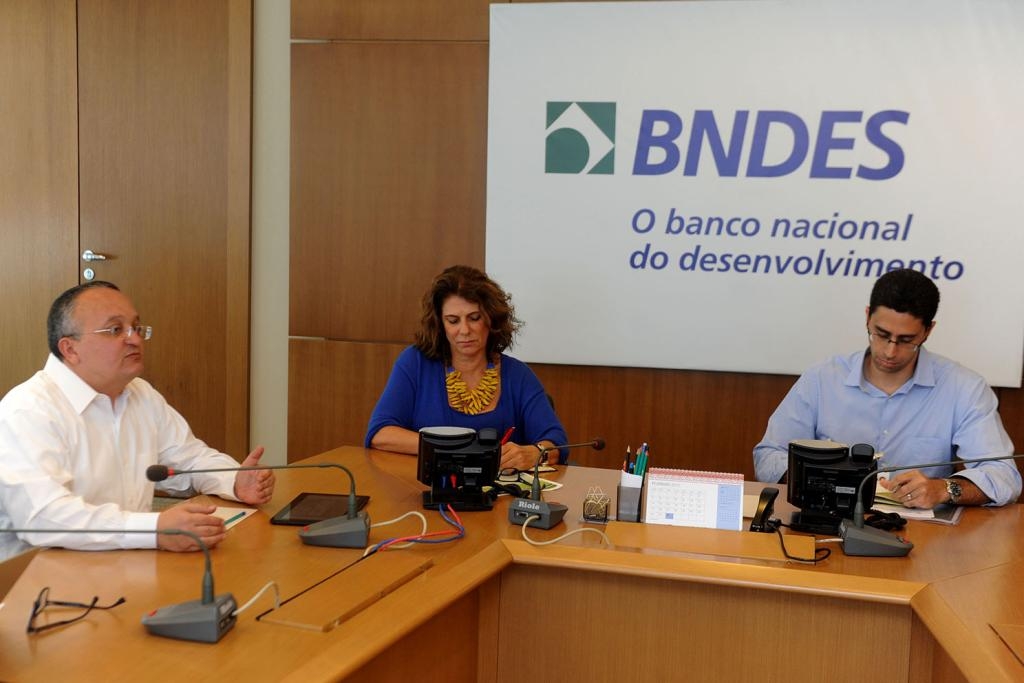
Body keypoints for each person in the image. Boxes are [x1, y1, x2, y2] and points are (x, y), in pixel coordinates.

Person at [0, 281, 275, 561]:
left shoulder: (140, 394)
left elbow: (189, 459)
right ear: (70, 349)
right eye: (115, 330)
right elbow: (43, 518)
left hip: (126, 561)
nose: (134, 339)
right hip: (37, 576)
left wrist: (233, 481)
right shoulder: (28, 410)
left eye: (136, 327)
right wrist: (153, 530)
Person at [753, 268, 1020, 509]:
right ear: (867, 316)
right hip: (829, 517)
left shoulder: (964, 388)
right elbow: (768, 456)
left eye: (906, 340)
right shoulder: (822, 379)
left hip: (921, 534)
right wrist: (821, 480)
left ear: (928, 331)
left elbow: (1003, 475)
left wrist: (944, 489)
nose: (890, 352)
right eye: (881, 334)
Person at [366, 265, 568, 470]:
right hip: (427, 485)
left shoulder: (518, 375)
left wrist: (535, 453)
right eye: (453, 321)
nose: (464, 330)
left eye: (474, 318)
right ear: (440, 324)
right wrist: (454, 448)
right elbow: (380, 433)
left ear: (491, 319)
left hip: (500, 488)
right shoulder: (415, 363)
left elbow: (556, 442)